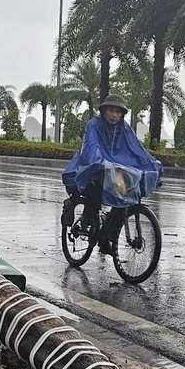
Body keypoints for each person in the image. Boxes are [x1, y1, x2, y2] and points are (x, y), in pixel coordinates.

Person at [62, 94, 162, 252]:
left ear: (122, 114)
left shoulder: (124, 128)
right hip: (92, 167)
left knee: (126, 195)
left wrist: (152, 165)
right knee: (94, 185)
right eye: (111, 110)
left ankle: (108, 237)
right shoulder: (93, 125)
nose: (114, 115)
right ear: (104, 111)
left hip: (115, 169)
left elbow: (137, 149)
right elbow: (91, 146)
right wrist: (98, 162)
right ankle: (88, 217)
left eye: (118, 111)